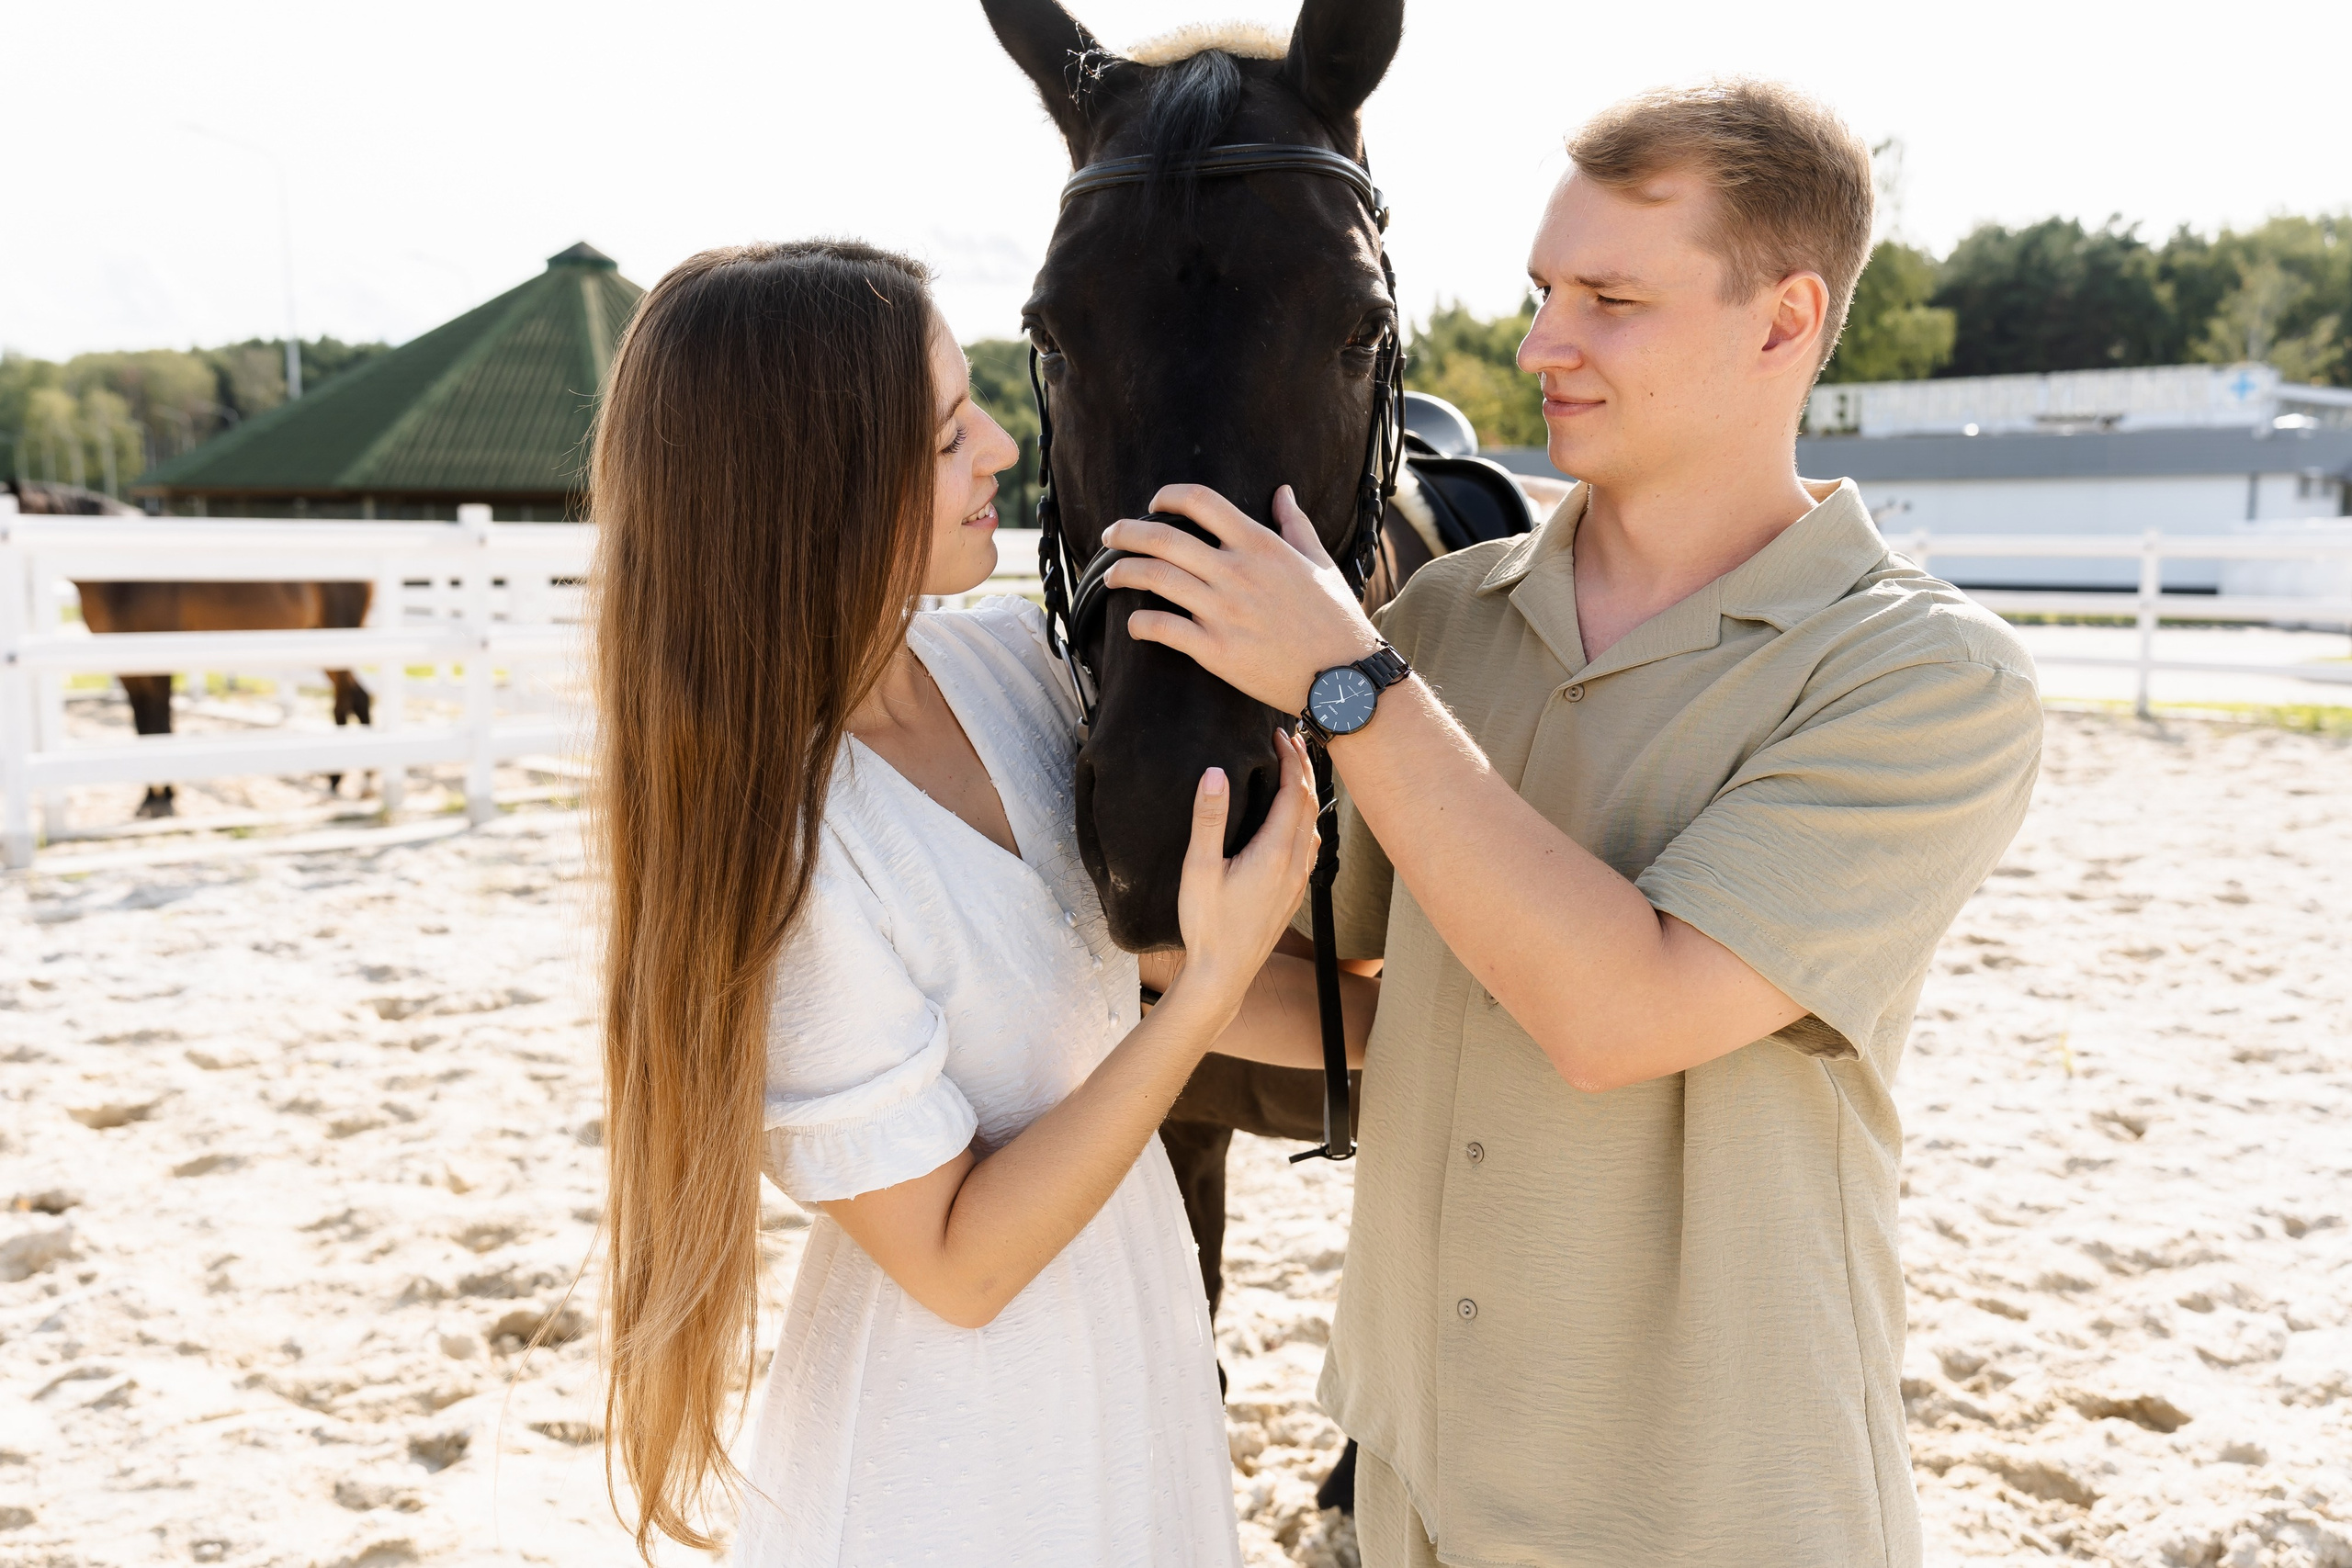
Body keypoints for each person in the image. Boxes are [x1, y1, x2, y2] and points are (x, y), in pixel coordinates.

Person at [1099, 83, 2044, 1566]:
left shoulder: (1922, 675)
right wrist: (1112, 955)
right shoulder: (1441, 626)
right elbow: (1369, 1008)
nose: (1544, 344)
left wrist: (1350, 682)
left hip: (1704, 1498)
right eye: (1545, 291)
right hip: (1414, 1474)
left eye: (1610, 299)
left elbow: (1620, 1013)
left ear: (1786, 320)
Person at [587, 239, 1328, 1567]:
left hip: (1129, 1326)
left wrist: (1417, 1033)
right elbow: (956, 1262)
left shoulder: (1008, 670)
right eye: (944, 436)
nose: (999, 446)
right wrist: (1212, 984)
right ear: (815, 488)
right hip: (961, 1440)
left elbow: (1132, 977)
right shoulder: (793, 851)